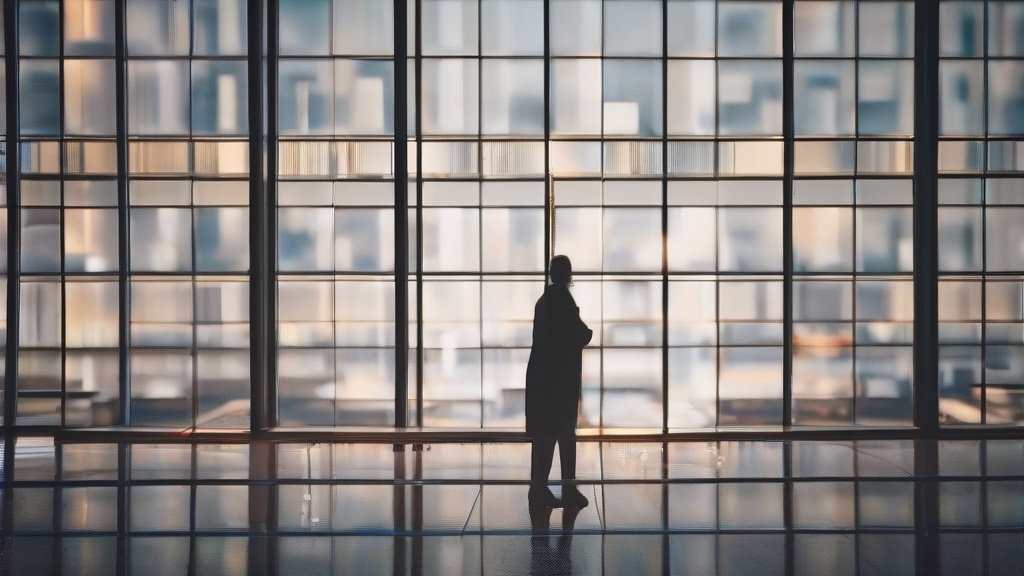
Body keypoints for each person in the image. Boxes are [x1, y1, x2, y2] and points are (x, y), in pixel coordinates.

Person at [525, 255, 593, 509]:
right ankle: (567, 488)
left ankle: (539, 488)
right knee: (564, 434)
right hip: (559, 380)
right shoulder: (562, 300)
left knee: (545, 435)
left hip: (544, 378)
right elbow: (578, 333)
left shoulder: (544, 301)